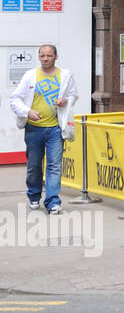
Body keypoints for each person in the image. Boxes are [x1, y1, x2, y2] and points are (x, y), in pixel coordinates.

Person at [8, 44, 78, 214]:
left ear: (56, 56)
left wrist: (66, 101)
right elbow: (14, 99)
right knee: (34, 166)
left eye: (49, 55)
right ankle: (33, 195)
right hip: (34, 129)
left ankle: (53, 201)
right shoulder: (30, 76)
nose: (45, 59)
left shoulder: (65, 75)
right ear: (39, 57)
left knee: (54, 166)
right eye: (42, 56)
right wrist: (28, 112)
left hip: (55, 129)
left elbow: (73, 94)